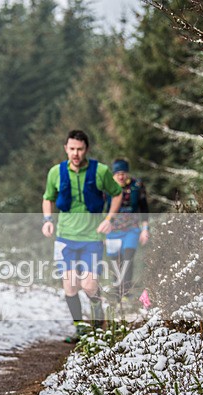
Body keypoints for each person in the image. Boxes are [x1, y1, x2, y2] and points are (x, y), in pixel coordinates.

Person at [41, 130, 123, 343]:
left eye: (79, 149)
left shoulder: (100, 171)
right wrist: (48, 220)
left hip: (91, 239)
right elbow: (48, 198)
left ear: (86, 149)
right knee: (69, 286)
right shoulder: (55, 172)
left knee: (88, 286)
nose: (75, 153)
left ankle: (98, 325)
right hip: (65, 238)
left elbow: (117, 193)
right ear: (66, 149)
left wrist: (110, 219)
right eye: (72, 149)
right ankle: (80, 328)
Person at [104, 159, 150, 299]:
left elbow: (144, 208)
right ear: (113, 175)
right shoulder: (107, 188)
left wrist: (145, 229)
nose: (121, 176)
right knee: (115, 261)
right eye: (117, 173)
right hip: (112, 230)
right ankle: (117, 289)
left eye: (123, 173)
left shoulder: (137, 185)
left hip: (132, 228)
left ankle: (126, 291)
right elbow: (100, 209)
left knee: (128, 257)